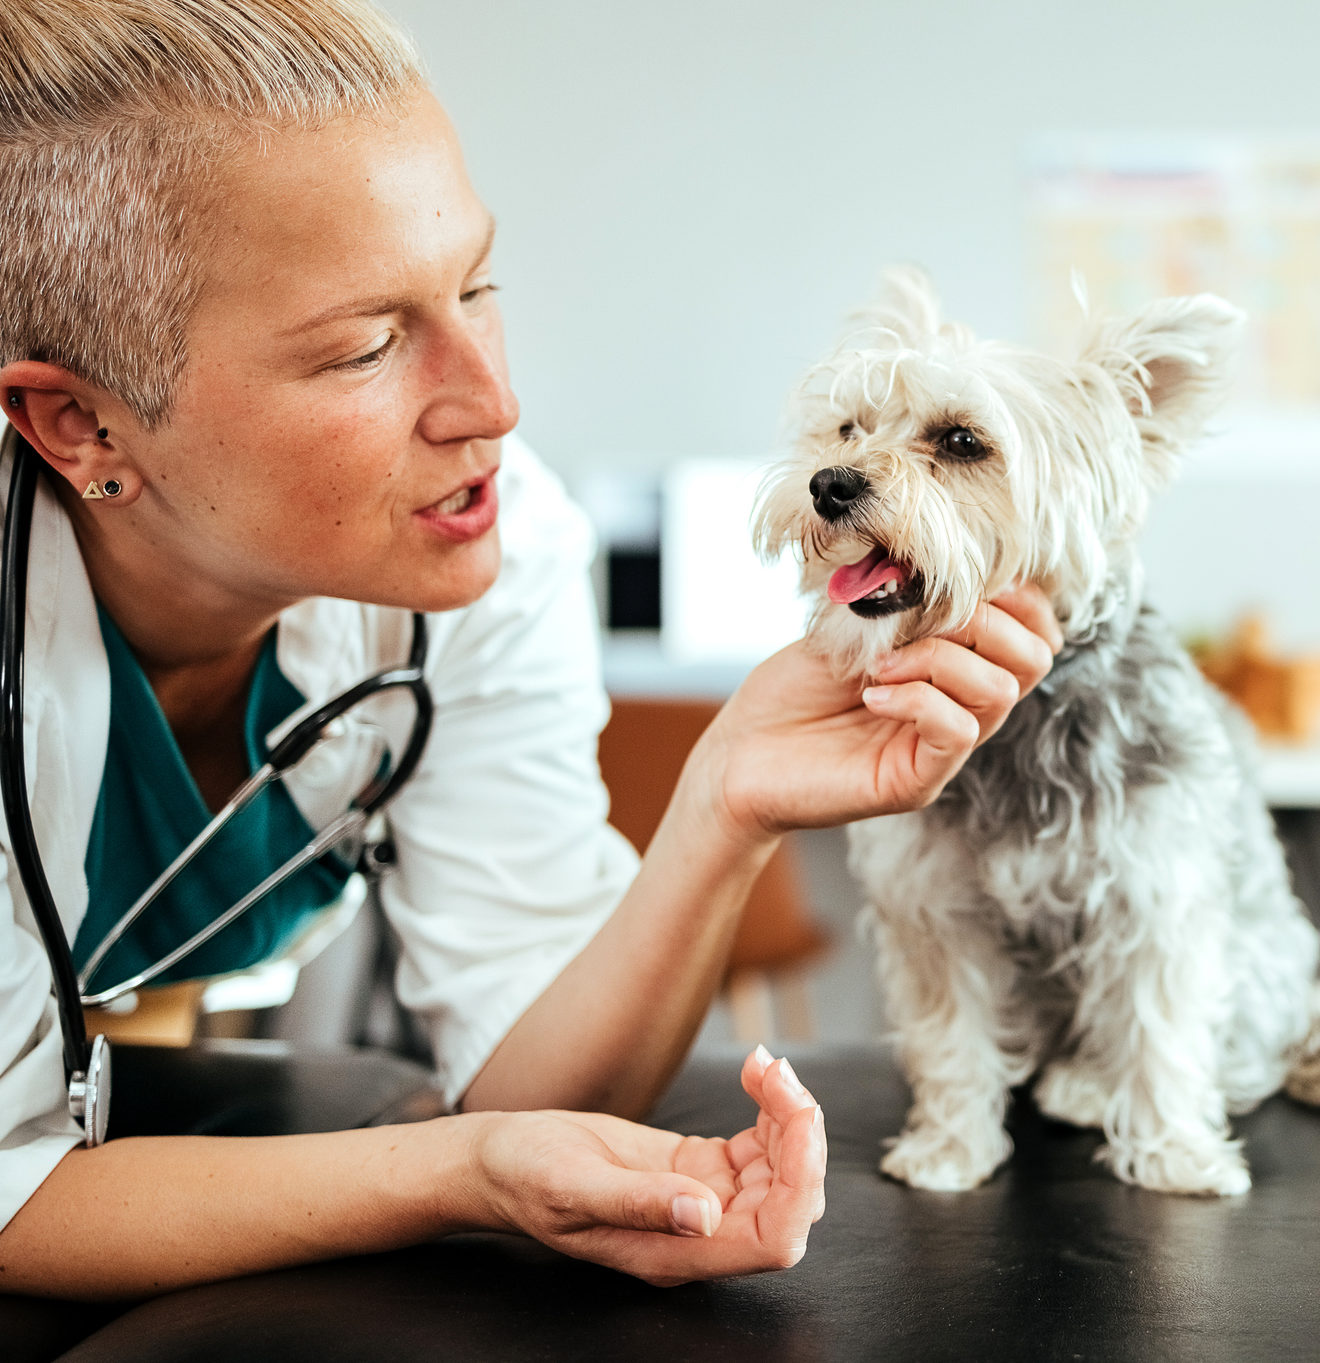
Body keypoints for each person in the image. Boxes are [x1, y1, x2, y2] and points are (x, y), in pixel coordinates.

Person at [0, 0, 1061, 1300]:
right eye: (365, 346)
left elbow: (527, 1067)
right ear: (78, 426)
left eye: (477, 285)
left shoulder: (491, 555)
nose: (495, 402)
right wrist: (459, 1169)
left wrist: (721, 810)